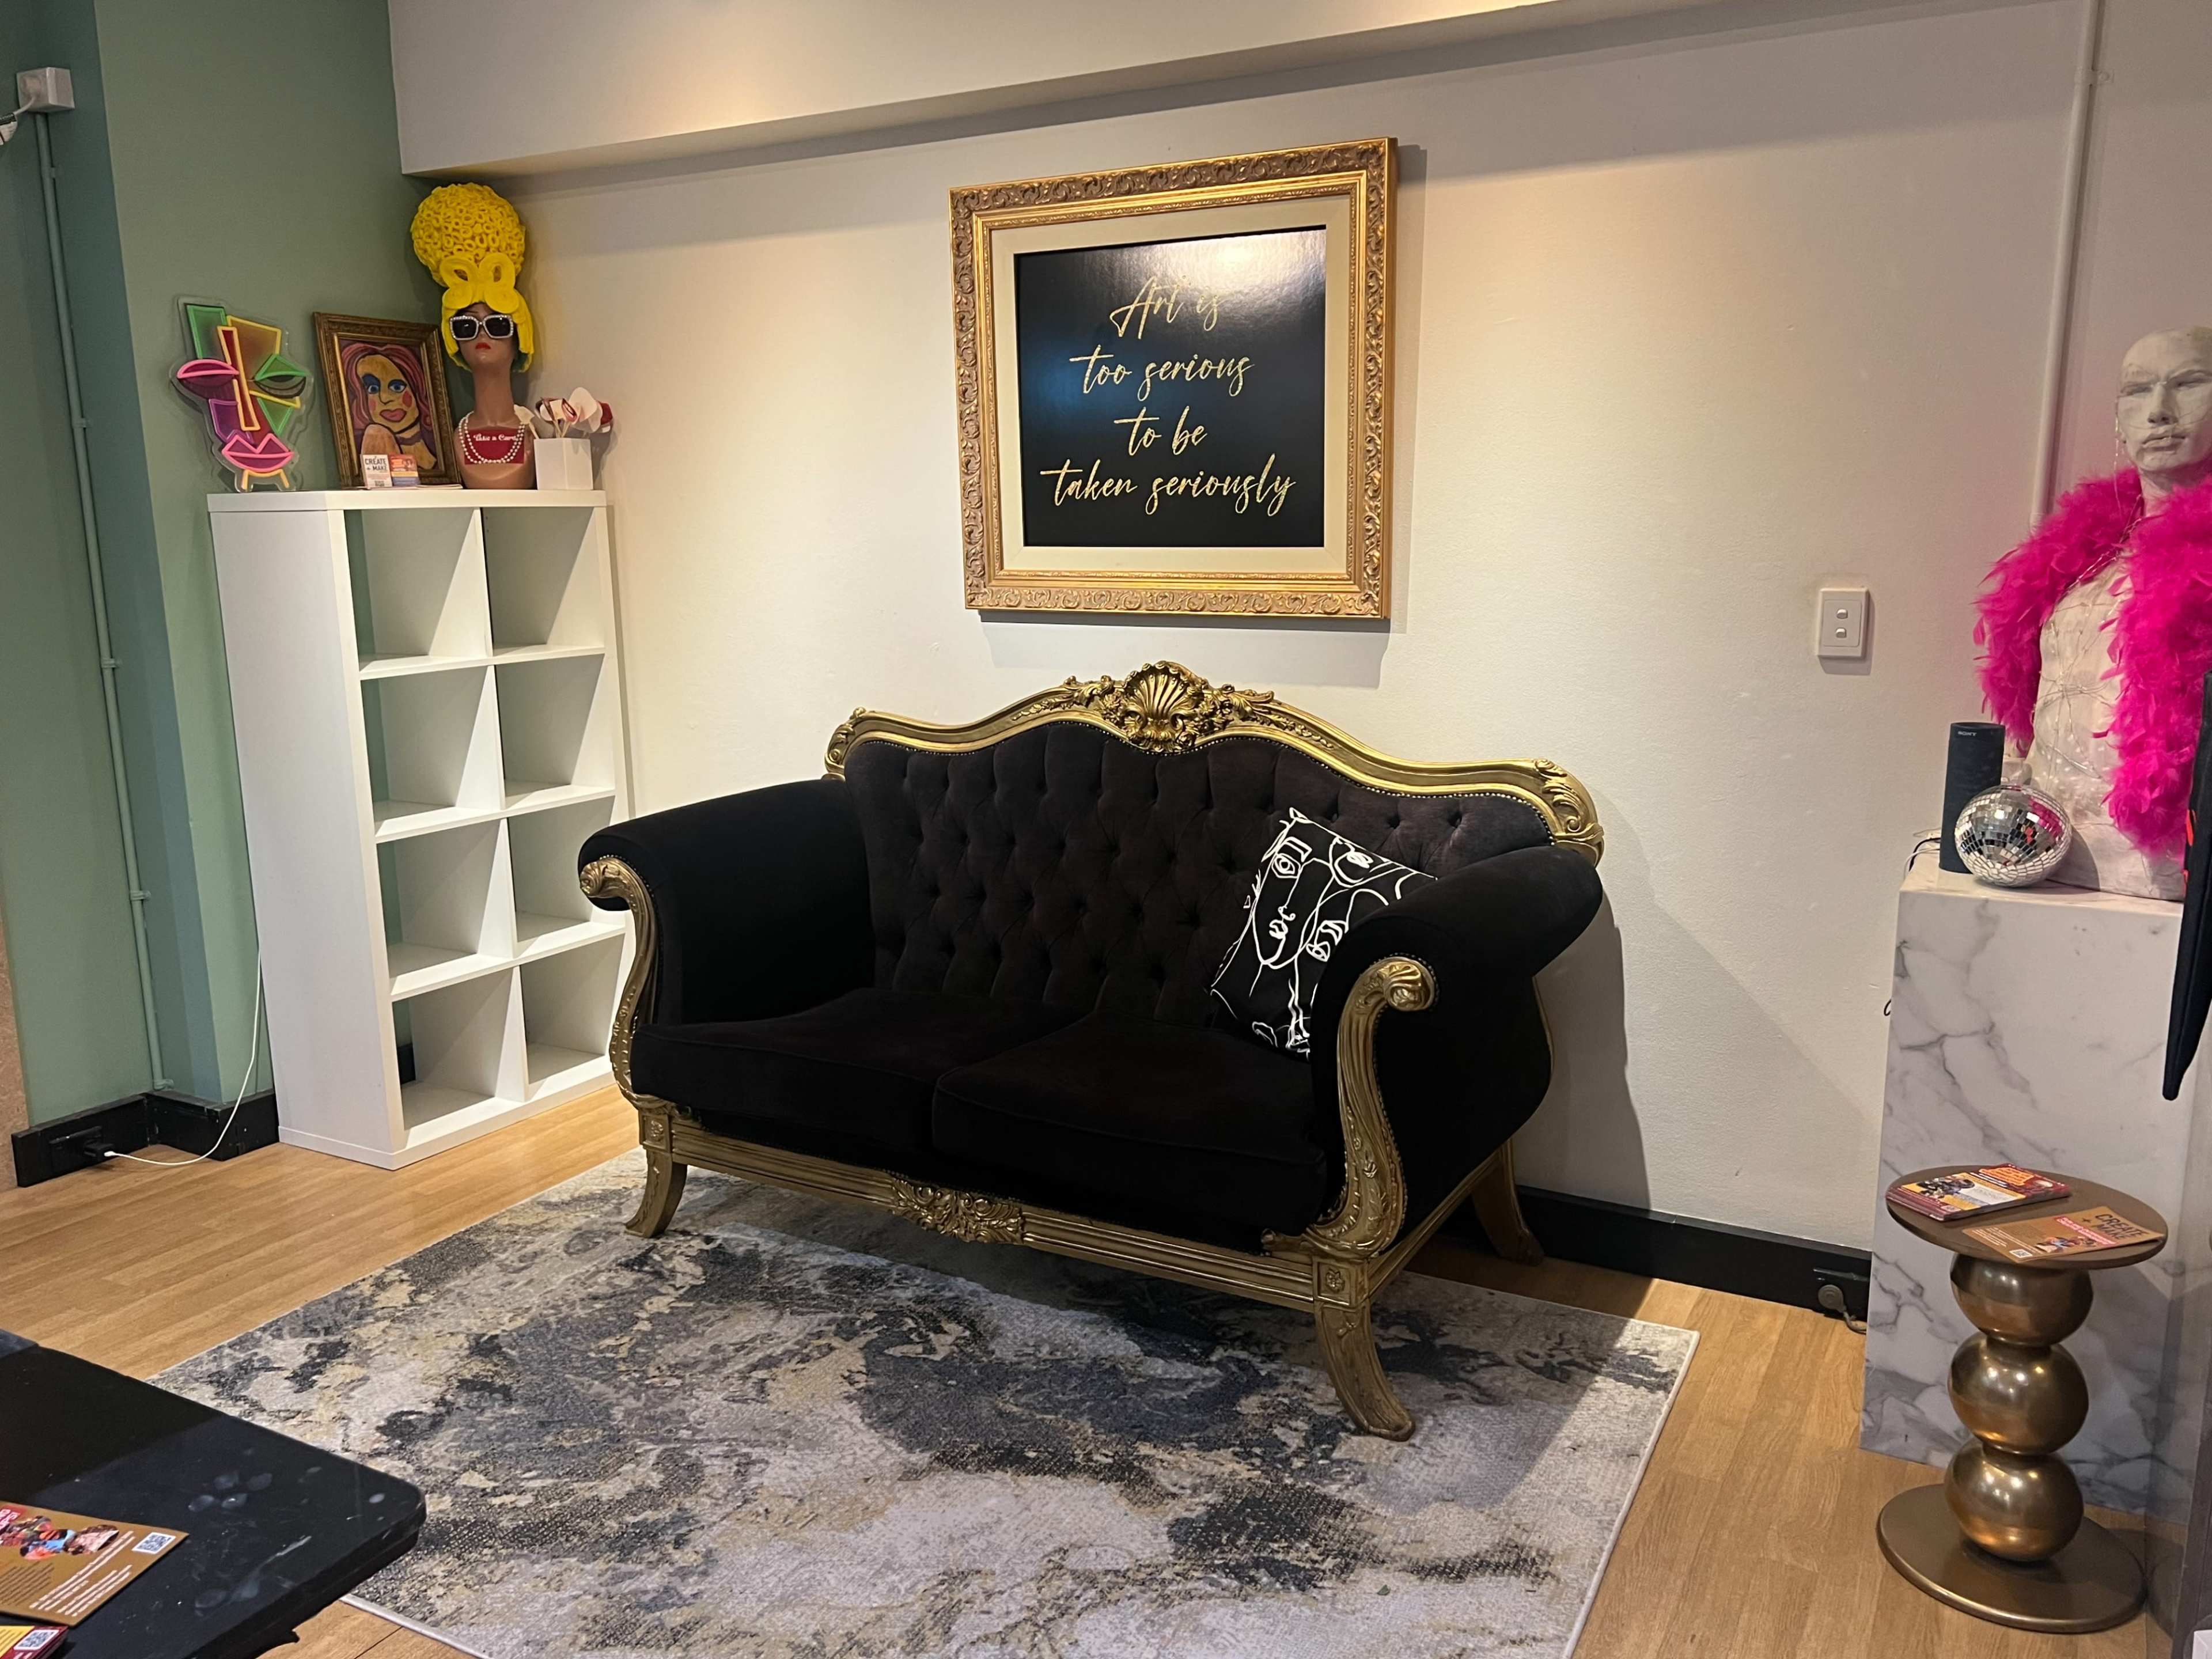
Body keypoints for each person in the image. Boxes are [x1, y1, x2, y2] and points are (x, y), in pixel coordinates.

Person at [1977, 327, 2212, 898]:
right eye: (2138, 391)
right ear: (2117, 420)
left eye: (2189, 384)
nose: (2159, 412)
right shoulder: (2077, 552)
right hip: (2045, 855)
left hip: (2165, 878)